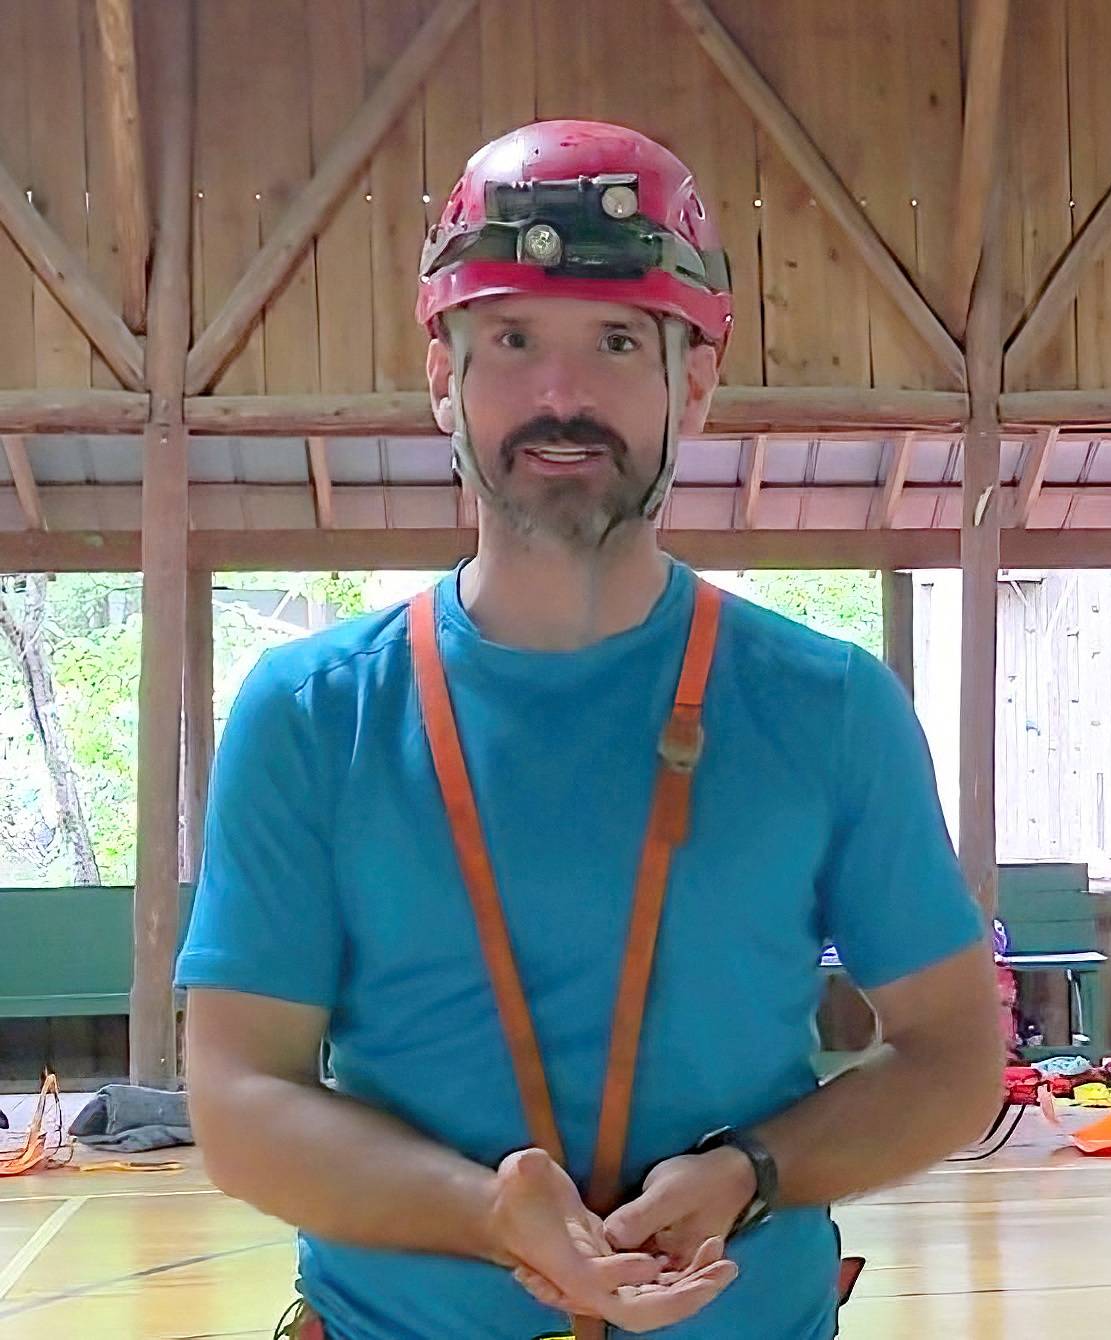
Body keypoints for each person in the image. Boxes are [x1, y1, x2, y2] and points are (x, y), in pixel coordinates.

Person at [176, 120, 1005, 1340]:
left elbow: (950, 1057)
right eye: (511, 340)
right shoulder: (313, 715)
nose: (560, 395)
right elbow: (241, 1096)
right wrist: (483, 1210)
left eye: (618, 342)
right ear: (441, 377)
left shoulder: (828, 707)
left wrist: (749, 1172)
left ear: (697, 383)